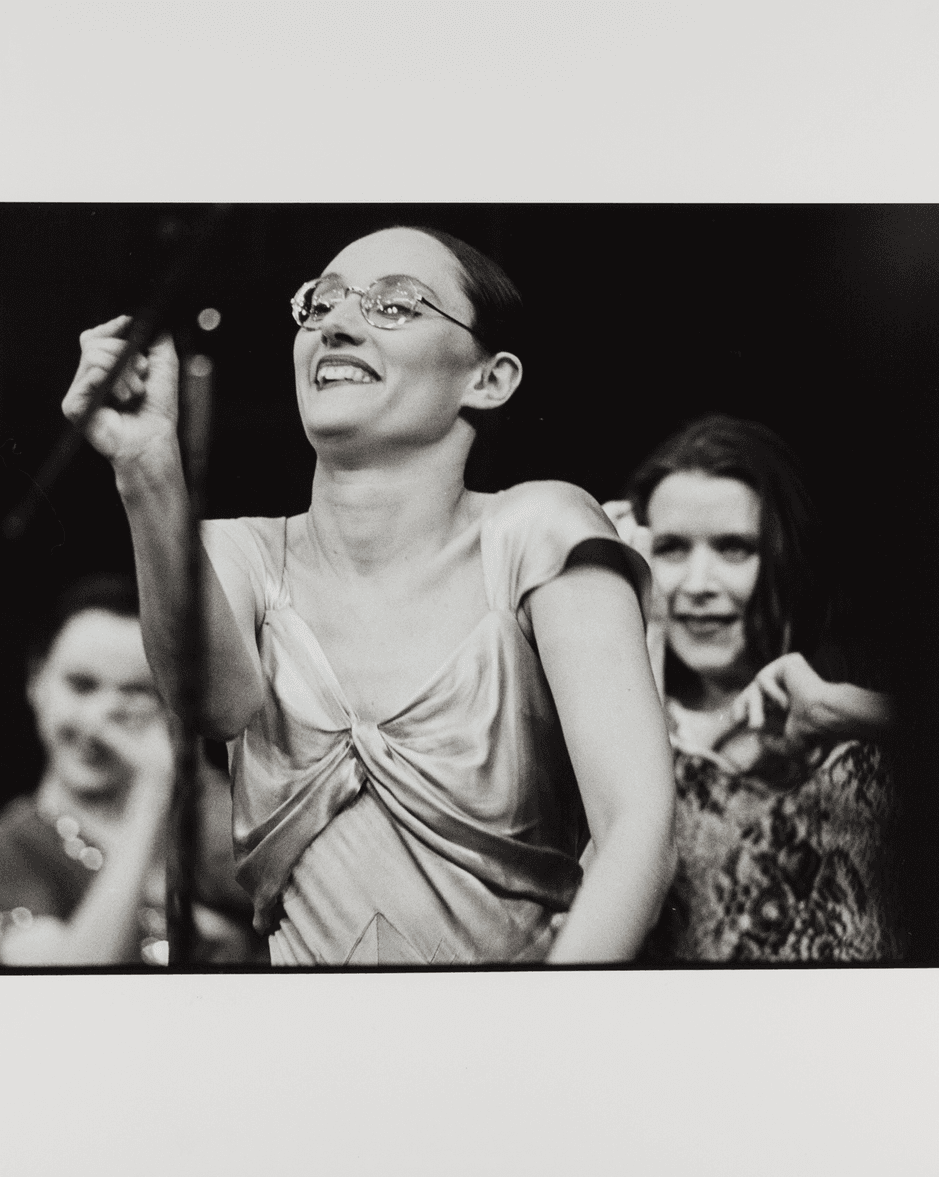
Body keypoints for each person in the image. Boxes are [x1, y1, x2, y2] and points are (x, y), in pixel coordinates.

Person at [62, 226, 676, 965]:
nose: (338, 324)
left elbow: (639, 832)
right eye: (320, 304)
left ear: (490, 378)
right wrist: (146, 467)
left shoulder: (535, 530)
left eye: (395, 306)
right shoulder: (241, 555)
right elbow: (212, 703)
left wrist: (533, 1032)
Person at [605, 415, 902, 962]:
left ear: (786, 554)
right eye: (670, 549)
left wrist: (841, 712)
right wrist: (617, 600)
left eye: (734, 548)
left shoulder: (863, 698)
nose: (697, 586)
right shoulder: (616, 734)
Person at [0, 575, 262, 965]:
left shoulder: (216, 815)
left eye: (136, 692)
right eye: (81, 685)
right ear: (36, 681)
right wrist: (152, 795)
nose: (99, 721)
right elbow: (67, 993)